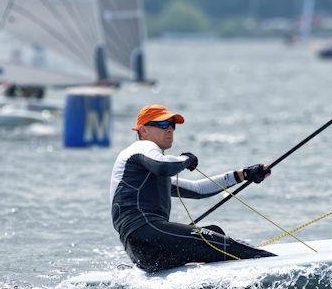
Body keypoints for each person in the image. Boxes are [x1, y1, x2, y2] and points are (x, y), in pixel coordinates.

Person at [110, 104, 276, 273]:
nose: (169, 130)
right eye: (162, 125)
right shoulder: (140, 147)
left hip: (143, 252)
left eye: (172, 125)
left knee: (214, 232)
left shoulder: (144, 173)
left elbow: (198, 189)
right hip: (147, 234)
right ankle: (274, 266)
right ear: (143, 130)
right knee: (226, 245)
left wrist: (243, 175)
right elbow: (164, 166)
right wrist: (185, 159)